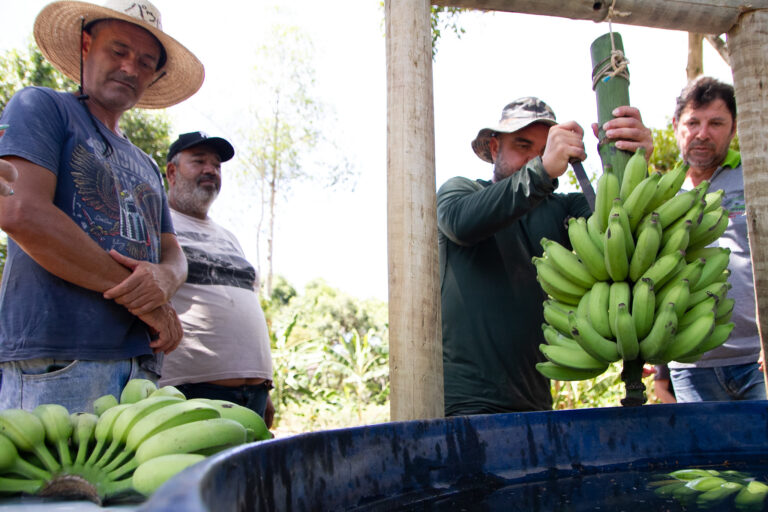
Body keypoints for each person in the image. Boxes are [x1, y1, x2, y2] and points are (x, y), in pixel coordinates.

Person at [0, 0, 205, 413]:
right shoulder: (42, 107)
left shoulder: (147, 163)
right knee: (56, 479)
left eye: (146, 62)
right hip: (58, 356)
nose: (131, 68)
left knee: (129, 479)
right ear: (86, 45)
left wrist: (166, 279)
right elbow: (20, 212)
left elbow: (173, 250)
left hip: (140, 364)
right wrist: (147, 301)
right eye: (119, 51)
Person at [438, 97, 653, 416]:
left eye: (544, 150)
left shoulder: (564, 209)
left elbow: (620, 227)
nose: (533, 158)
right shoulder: (462, 191)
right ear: (495, 149)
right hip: (466, 402)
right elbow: (461, 223)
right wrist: (540, 172)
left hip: (535, 402)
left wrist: (634, 162)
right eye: (522, 146)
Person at [159, 132, 275, 427]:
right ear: (172, 172)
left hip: (255, 394)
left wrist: (265, 385)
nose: (210, 170)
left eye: (216, 165)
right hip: (190, 392)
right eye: (198, 161)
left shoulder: (229, 237)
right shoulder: (157, 224)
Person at [667, 76, 766, 402]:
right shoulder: (662, 193)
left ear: (735, 127)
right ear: (675, 125)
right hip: (690, 363)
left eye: (716, 123)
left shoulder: (755, 177)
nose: (702, 133)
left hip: (757, 358)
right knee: (705, 455)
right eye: (693, 122)